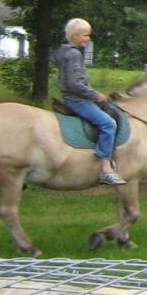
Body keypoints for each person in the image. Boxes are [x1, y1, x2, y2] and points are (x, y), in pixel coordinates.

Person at [52, 18, 125, 185]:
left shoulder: (65, 52)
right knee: (108, 124)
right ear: (76, 36)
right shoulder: (74, 54)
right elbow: (75, 84)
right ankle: (105, 169)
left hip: (73, 97)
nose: (88, 39)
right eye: (85, 35)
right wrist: (95, 95)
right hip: (77, 100)